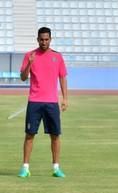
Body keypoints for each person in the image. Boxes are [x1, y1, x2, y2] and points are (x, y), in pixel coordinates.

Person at [18, 27, 68, 178]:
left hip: (52, 103)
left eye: (46, 39)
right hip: (34, 102)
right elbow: (23, 77)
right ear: (37, 39)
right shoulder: (29, 55)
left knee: (55, 135)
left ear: (50, 39)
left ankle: (56, 168)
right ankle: (25, 168)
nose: (44, 42)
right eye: (41, 39)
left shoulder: (57, 57)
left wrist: (65, 98)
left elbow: (63, 77)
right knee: (29, 135)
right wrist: (29, 64)